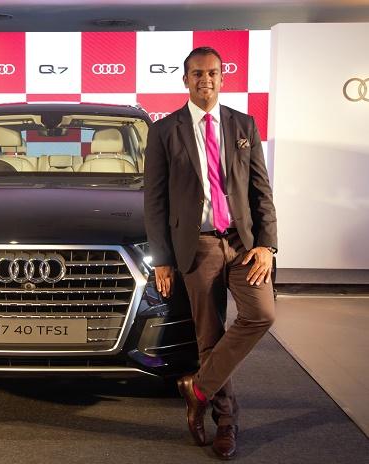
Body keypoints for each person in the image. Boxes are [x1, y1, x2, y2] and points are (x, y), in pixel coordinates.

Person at [144, 47, 277, 460]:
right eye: (198, 73)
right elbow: (155, 201)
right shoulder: (164, 131)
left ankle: (197, 388)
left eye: (213, 73)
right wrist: (162, 258)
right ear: (185, 79)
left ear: (222, 77)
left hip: (242, 243)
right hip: (197, 245)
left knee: (262, 314)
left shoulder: (243, 124)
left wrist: (267, 244)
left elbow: (261, 190)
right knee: (210, 335)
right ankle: (226, 423)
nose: (206, 79)